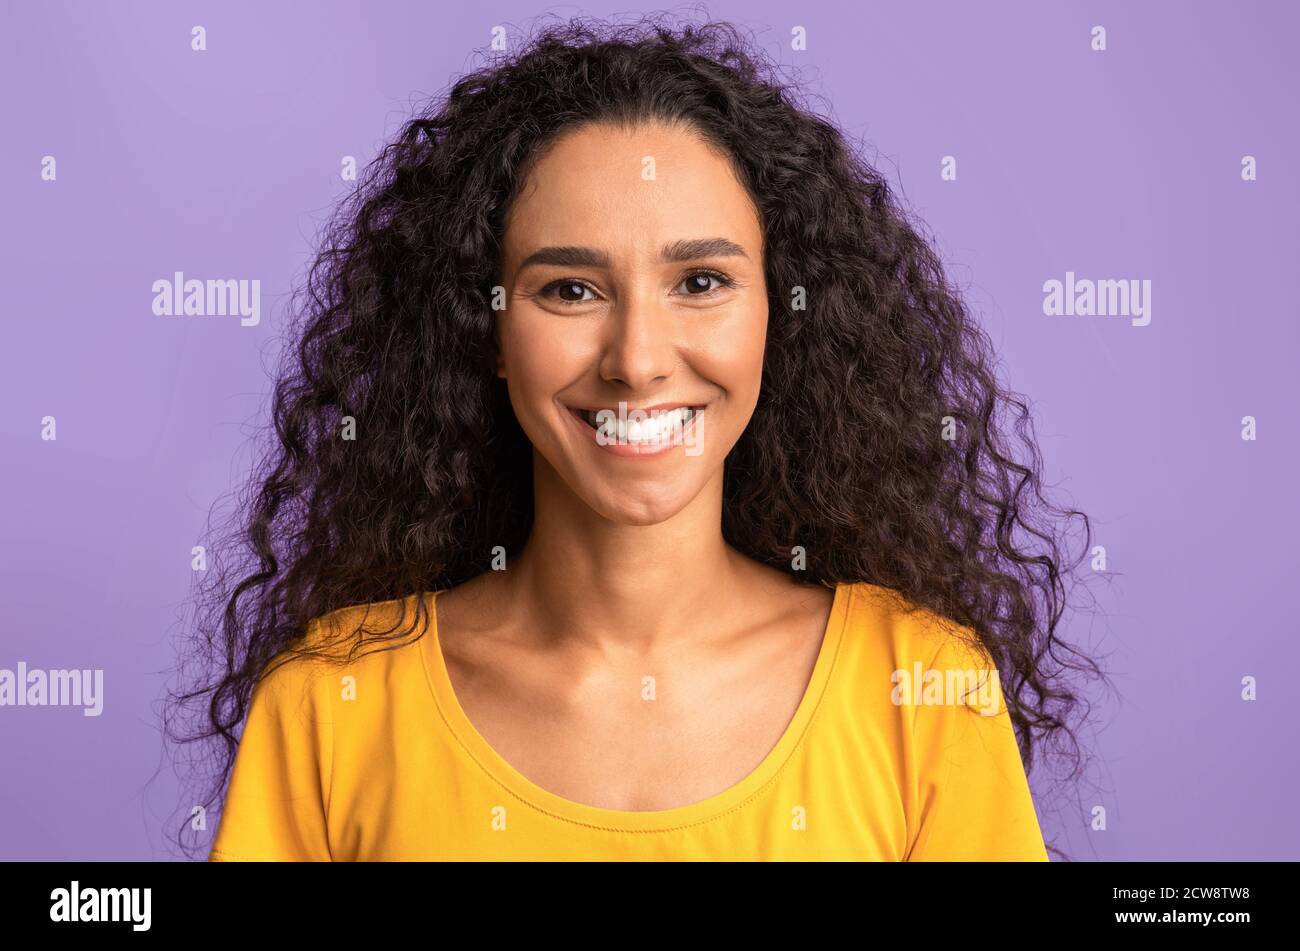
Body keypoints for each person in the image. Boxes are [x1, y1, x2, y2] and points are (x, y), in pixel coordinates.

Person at [174, 16, 1099, 861]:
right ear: (487, 330)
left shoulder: (924, 690)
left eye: (700, 281)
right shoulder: (331, 706)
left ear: (781, 317)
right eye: (570, 290)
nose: (638, 360)